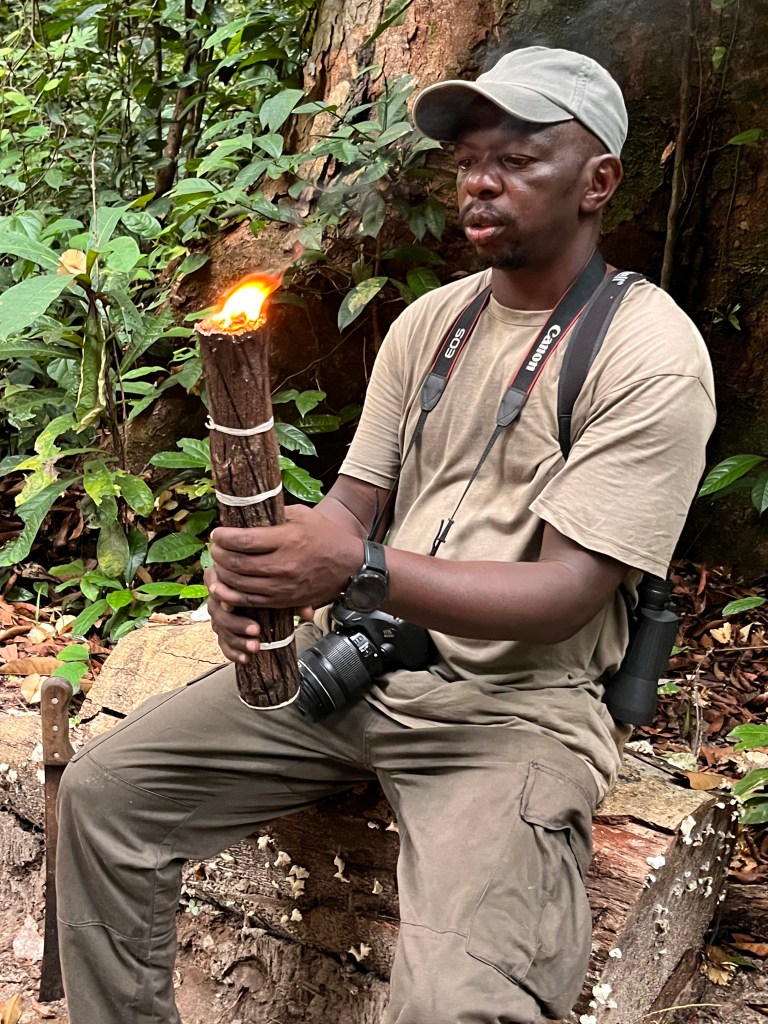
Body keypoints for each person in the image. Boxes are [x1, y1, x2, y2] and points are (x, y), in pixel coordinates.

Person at [56, 45, 716, 1024]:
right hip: (361, 666)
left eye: (517, 159)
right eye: (468, 161)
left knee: (457, 1002)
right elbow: (351, 507)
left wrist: (354, 567)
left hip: (513, 713)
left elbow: (567, 594)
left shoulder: (649, 352)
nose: (480, 181)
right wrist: (262, 574)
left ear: (598, 181)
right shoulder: (432, 324)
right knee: (107, 795)